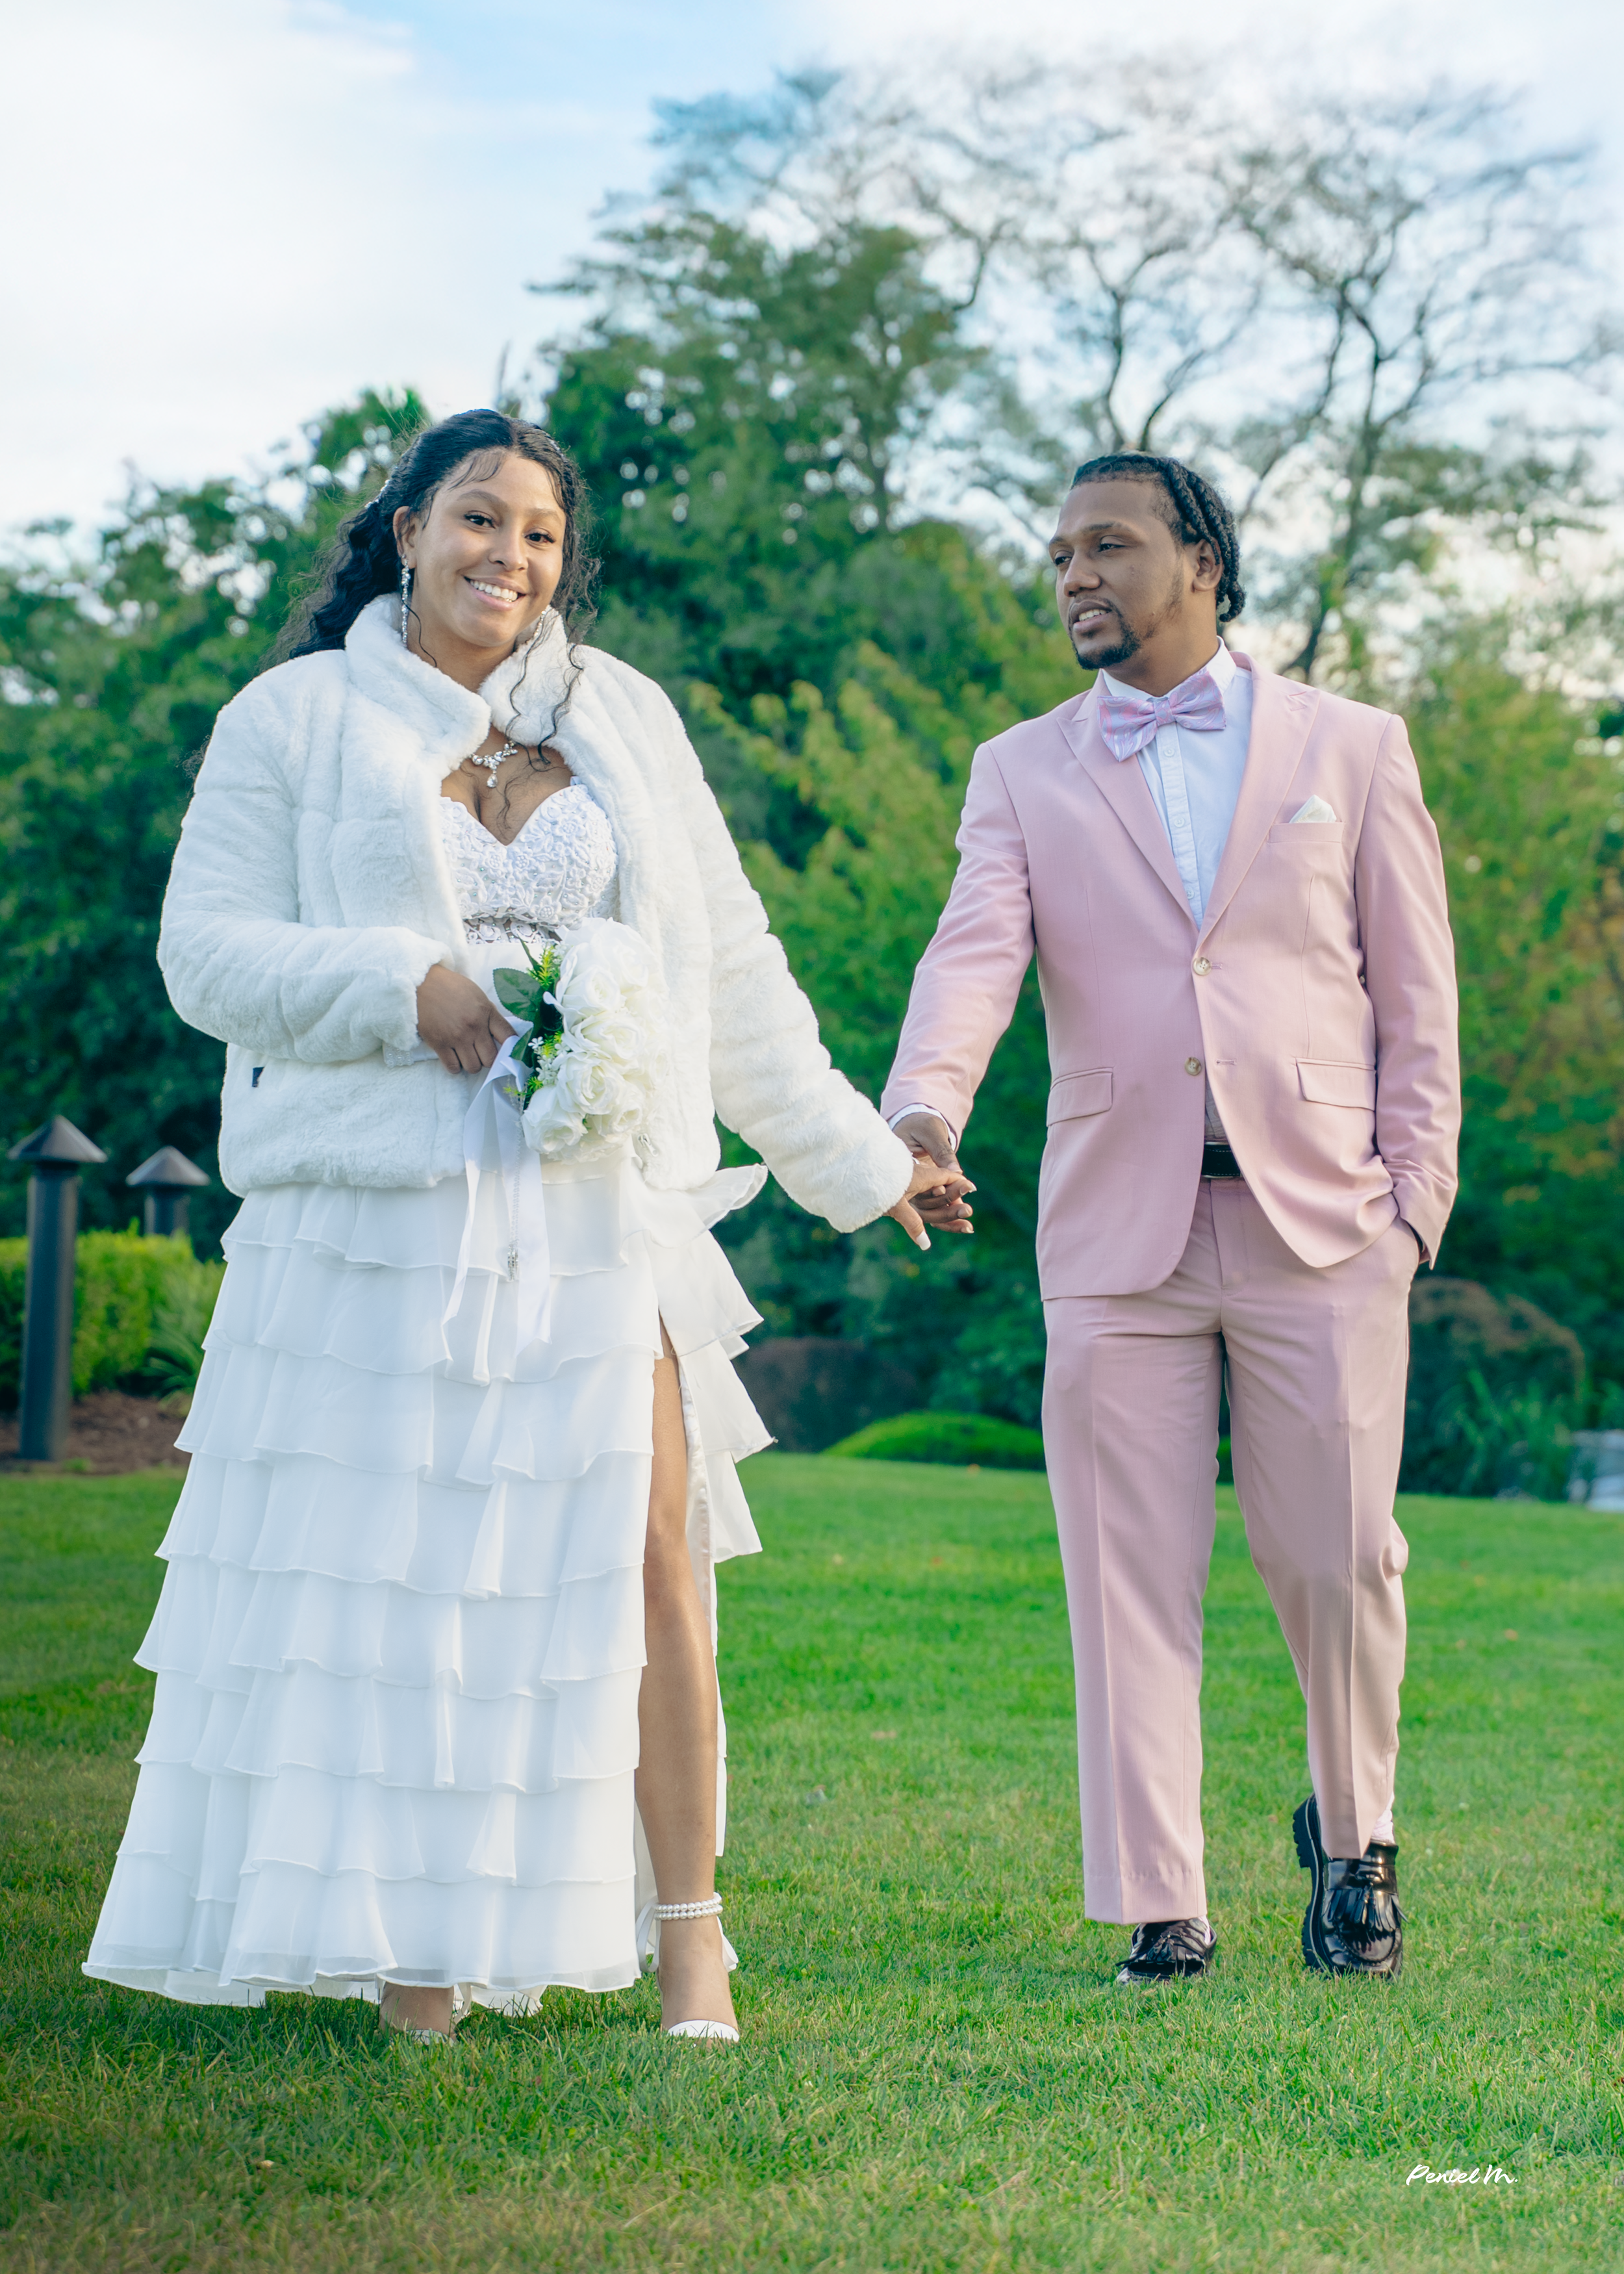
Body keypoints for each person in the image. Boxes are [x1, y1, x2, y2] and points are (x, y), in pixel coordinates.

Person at [84, 409, 956, 2041]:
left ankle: (690, 1934)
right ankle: (422, 1955)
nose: (511, 556)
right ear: (406, 529)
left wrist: (859, 1158)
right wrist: (395, 988)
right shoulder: (297, 717)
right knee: (409, 1582)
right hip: (372, 1216)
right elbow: (200, 953)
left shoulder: (623, 719)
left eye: (543, 533)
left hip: (593, 1206)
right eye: (479, 520)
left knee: (647, 1559)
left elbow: (731, 975)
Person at [885, 453, 1459, 1983]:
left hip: (1324, 1226)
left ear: (1199, 560)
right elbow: (969, 959)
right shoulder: (1018, 769)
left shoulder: (1353, 746)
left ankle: (1354, 1850)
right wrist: (919, 1115)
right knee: (1123, 1567)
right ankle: (1162, 1894)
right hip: (1109, 1239)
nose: (1073, 573)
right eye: (1059, 550)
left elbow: (1415, 1000)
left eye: (1108, 545)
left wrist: (1411, 1212)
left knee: (1340, 1558)